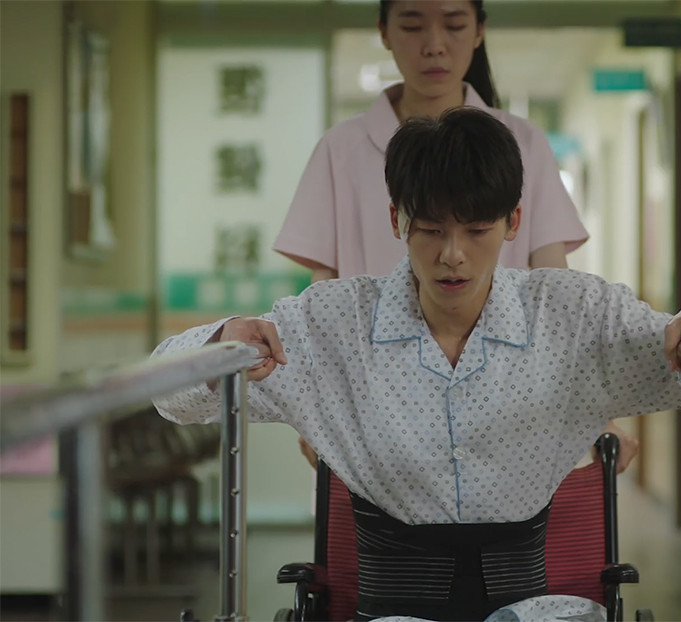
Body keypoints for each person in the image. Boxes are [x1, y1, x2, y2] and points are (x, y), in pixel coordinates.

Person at [154, 108, 681, 622]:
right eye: (429, 229)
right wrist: (221, 345)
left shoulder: (572, 316)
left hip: (529, 607)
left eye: (476, 230)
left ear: (513, 222)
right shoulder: (333, 324)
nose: (453, 256)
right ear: (396, 219)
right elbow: (170, 392)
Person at [273, 0, 639, 472]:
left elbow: (555, 296)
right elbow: (324, 299)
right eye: (412, 25)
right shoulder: (340, 149)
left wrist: (594, 415)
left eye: (454, 24)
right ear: (383, 31)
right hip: (376, 420)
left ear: (480, 30)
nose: (434, 45)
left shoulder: (522, 142)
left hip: (507, 413)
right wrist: (317, 415)